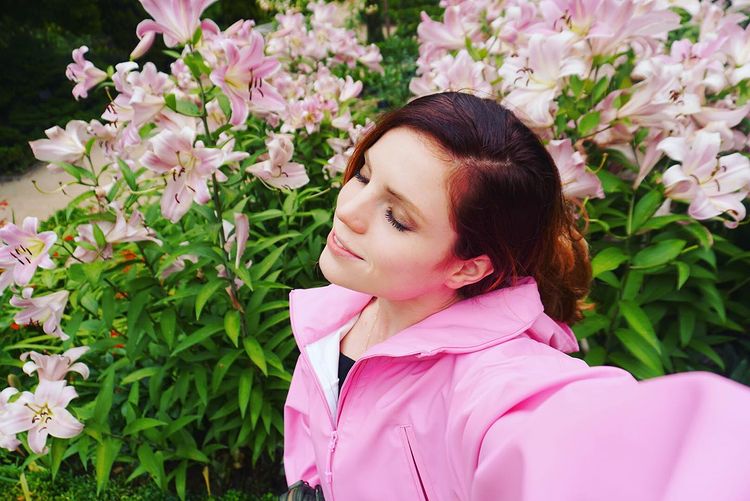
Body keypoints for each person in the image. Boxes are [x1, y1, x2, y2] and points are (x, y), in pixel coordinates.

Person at [281, 91, 750, 501]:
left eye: (397, 218)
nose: (349, 210)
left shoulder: (495, 389)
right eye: (364, 176)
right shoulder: (332, 319)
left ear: (468, 267)